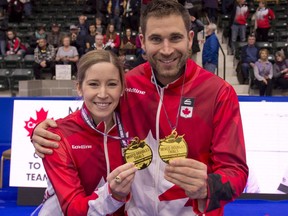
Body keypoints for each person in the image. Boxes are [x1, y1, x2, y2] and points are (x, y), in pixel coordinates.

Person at [32, 1, 248, 215]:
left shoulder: (219, 92)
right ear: (143, 42)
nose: (166, 50)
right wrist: (43, 131)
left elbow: (236, 172)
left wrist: (208, 187)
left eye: (175, 38)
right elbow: (94, 113)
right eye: (156, 39)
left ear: (190, 39)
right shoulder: (129, 83)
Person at [31, 50, 138, 215]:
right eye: (93, 84)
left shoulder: (136, 126)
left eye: (112, 84)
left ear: (122, 88)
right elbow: (73, 210)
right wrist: (112, 195)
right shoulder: (56, 137)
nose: (103, 94)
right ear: (79, 88)